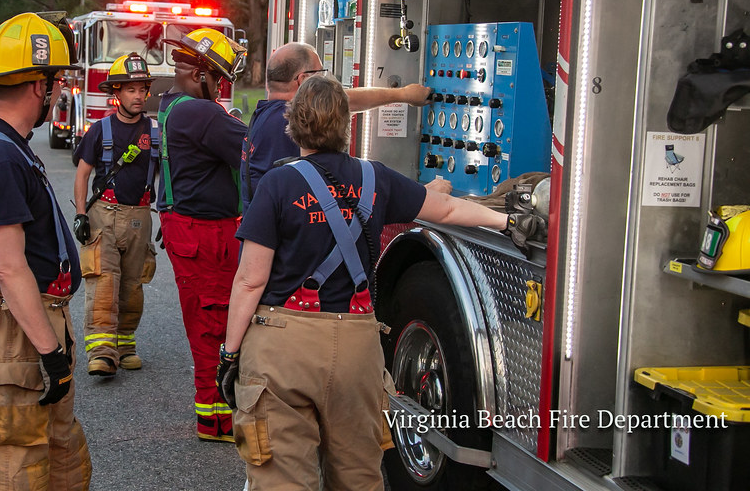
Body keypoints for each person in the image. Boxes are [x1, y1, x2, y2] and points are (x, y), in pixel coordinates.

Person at [218, 73, 544, 489]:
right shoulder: (376, 179)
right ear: (346, 126)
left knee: (280, 476)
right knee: (358, 472)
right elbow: (444, 210)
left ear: (293, 124)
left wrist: (230, 354)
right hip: (357, 347)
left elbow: (249, 281)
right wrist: (508, 220)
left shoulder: (278, 184)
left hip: (284, 346)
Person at [0, 12, 92, 490]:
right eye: (56, 81)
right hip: (18, 335)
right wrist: (50, 353)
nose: (59, 92)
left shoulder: (7, 142)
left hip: (29, 327)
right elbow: (9, 268)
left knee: (54, 461)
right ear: (40, 86)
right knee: (10, 468)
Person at [158, 28, 247, 443]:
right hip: (205, 233)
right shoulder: (200, 112)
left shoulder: (173, 105)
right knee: (214, 324)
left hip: (191, 228)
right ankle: (217, 420)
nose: (223, 88)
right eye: (221, 79)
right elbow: (255, 151)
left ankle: (215, 414)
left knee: (207, 322)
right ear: (201, 74)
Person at [241, 41, 446, 211]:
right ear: (302, 80)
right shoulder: (288, 117)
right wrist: (403, 95)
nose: (324, 82)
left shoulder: (264, 115)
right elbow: (343, 100)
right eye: (320, 74)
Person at [72, 52, 159, 378]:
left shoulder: (156, 131)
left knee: (132, 286)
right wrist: (81, 214)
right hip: (103, 217)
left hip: (139, 217)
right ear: (116, 93)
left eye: (142, 89)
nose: (138, 96)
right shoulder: (99, 130)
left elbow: (166, 176)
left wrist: (167, 211)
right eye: (130, 90)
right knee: (104, 282)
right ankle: (102, 352)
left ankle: (124, 344)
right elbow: (82, 175)